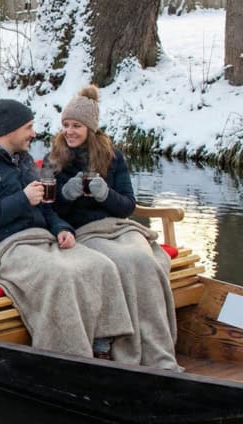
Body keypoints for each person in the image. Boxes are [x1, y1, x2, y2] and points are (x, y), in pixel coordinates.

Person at [0, 98, 134, 361]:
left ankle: (102, 346)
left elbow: (47, 207)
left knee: (100, 264)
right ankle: (67, 358)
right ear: (10, 130)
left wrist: (62, 228)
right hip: (2, 249)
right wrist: (22, 199)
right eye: (28, 127)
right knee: (61, 275)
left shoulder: (24, 161)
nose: (34, 133)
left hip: (40, 240)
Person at [46, 85, 181, 370]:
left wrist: (105, 193)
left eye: (77, 126)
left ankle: (158, 352)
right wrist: (66, 195)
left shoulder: (113, 156)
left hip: (120, 226)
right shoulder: (54, 160)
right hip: (85, 232)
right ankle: (123, 347)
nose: (70, 131)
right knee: (125, 260)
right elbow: (49, 210)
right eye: (66, 125)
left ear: (91, 128)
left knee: (145, 259)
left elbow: (128, 205)